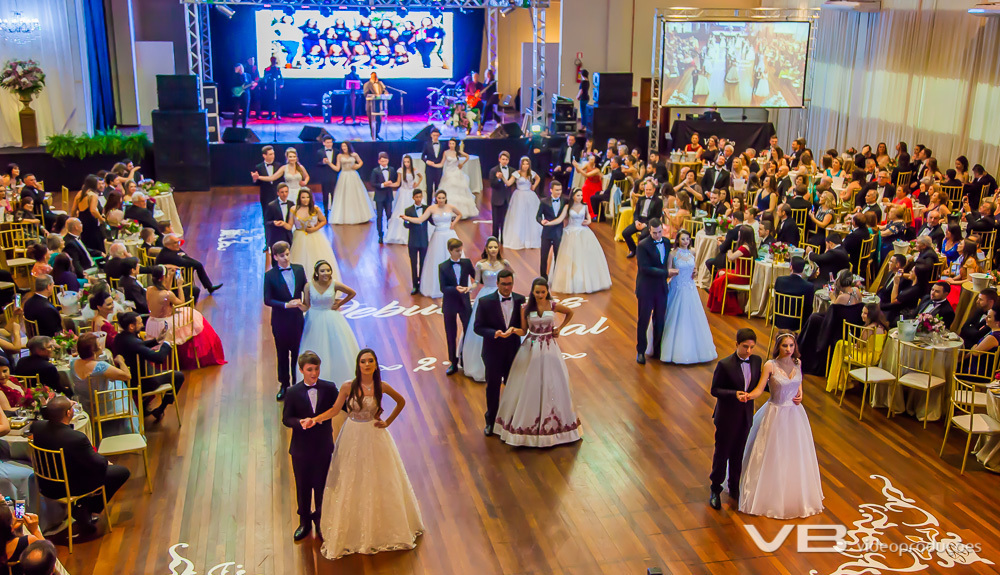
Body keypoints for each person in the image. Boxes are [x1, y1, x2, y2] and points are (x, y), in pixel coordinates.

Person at [308, 349, 423, 558]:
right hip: (352, 434)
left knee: (379, 477)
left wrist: (387, 422)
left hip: (374, 434)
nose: (367, 364)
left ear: (376, 365)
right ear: (358, 365)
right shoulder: (347, 386)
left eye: (370, 361)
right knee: (352, 476)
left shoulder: (381, 386)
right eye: (363, 361)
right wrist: (316, 419)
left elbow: (401, 401)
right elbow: (335, 410)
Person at [738, 332, 823, 518]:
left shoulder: (798, 363)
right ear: (778, 347)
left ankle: (792, 492)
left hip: (794, 414)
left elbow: (798, 383)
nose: (788, 349)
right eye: (785, 346)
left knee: (794, 454)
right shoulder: (770, 365)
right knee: (772, 452)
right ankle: (769, 494)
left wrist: (801, 394)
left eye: (791, 346)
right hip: (775, 413)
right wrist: (748, 396)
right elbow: (760, 389)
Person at [494, 278, 582, 446]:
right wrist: (512, 331)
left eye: (543, 292)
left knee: (553, 382)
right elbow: (523, 331)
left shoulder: (553, 305)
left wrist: (560, 329)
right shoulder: (525, 308)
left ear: (547, 291)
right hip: (531, 347)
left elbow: (570, 312)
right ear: (532, 292)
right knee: (530, 384)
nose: (541, 295)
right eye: (537, 292)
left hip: (550, 348)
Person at [281, 352, 344, 542]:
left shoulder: (329, 388)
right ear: (301, 370)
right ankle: (304, 522)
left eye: (316, 369)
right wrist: (300, 422)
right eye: (310, 370)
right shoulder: (292, 392)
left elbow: (343, 406)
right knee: (303, 485)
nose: (314, 373)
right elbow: (286, 419)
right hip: (301, 448)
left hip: (323, 445)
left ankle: (321, 520)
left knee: (322, 484)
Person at [708, 328, 761, 510]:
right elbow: (715, 390)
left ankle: (734, 488)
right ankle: (715, 488)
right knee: (722, 455)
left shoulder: (756, 361)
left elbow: (760, 383)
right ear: (736, 344)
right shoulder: (725, 365)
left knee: (738, 454)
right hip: (726, 417)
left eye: (752, 347)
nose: (748, 351)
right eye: (745, 346)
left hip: (745, 417)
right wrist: (734, 394)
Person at [473, 269, 524, 436]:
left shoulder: (520, 300)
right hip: (492, 352)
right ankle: (491, 421)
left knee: (513, 387)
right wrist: (494, 333)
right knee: (493, 388)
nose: (507, 288)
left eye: (510, 284)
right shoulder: (485, 302)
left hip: (513, 352)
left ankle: (511, 421)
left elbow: (525, 326)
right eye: (504, 284)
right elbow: (478, 327)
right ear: (497, 283)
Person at [144, 266, 226, 369]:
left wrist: (169, 277)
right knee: (194, 315)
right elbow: (181, 303)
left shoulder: (149, 289)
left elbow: (165, 292)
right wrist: (179, 286)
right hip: (166, 323)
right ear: (163, 278)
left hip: (152, 322)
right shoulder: (167, 295)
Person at [657, 230, 716, 364]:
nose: (685, 242)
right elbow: (668, 271)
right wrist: (672, 272)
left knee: (692, 317)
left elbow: (694, 269)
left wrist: (695, 272)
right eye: (683, 239)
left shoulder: (692, 253)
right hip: (677, 288)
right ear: (677, 240)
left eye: (688, 239)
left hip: (690, 288)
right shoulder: (672, 254)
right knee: (674, 317)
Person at [299, 261, 360, 385]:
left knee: (337, 348)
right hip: (314, 319)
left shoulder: (334, 284)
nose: (326, 273)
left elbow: (352, 293)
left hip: (332, 317)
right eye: (322, 271)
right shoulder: (308, 286)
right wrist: (298, 306)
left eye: (328, 270)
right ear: (316, 272)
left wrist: (339, 303)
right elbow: (306, 305)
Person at [115, 312, 183, 421]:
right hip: (145, 381)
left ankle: (147, 407)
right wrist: (167, 342)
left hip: (132, 379)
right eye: (140, 323)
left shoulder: (120, 338)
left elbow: (138, 347)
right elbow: (159, 358)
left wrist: (156, 340)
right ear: (131, 326)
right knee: (179, 376)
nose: (142, 325)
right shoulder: (133, 342)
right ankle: (160, 409)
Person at [462, 238, 510, 382]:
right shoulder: (480, 264)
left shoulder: (504, 263)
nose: (493, 249)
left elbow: (511, 277)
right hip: (486, 296)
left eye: (495, 247)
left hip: (501, 295)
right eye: (491, 247)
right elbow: (476, 282)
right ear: (486, 249)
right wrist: (469, 288)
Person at [264, 242, 307, 401]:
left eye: (287, 254)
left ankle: (297, 385)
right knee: (282, 355)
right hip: (280, 322)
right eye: (282, 256)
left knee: (298, 354)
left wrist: (304, 304)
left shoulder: (299, 269)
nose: (286, 258)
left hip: (296, 320)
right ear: (275, 257)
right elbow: (267, 300)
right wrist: (285, 305)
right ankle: (284, 385)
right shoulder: (270, 276)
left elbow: (305, 289)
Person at [548, 189, 612, 294]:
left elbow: (589, 216)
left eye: (581, 195)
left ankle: (587, 281)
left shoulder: (585, 206)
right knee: (570, 258)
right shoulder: (567, 207)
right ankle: (570, 281)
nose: (580, 197)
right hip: (570, 233)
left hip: (583, 232)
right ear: (573, 196)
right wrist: (549, 223)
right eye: (578, 195)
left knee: (585, 257)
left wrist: (589, 221)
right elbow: (560, 219)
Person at [402, 191, 463, 299]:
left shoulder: (450, 207)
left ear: (446, 198)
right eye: (439, 198)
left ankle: (456, 283)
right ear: (436, 198)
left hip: (449, 234)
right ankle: (435, 285)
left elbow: (460, 214)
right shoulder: (431, 208)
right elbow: (420, 219)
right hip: (438, 236)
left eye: (443, 197)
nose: (441, 200)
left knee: (454, 257)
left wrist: (453, 223)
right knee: (437, 259)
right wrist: (407, 218)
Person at [635, 219, 674, 365]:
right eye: (654, 233)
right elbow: (644, 268)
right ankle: (640, 351)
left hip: (661, 287)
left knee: (660, 320)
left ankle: (657, 350)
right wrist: (666, 273)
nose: (657, 236)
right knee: (643, 320)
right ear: (649, 231)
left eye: (659, 232)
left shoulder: (666, 242)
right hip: (646, 288)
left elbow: (669, 259)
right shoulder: (643, 245)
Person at [285, 188, 340, 283]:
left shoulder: (315, 209)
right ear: (299, 198)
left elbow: (323, 220)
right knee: (300, 259)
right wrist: (282, 224)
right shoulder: (294, 209)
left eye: (307, 197)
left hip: (315, 237)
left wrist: (315, 228)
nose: (305, 199)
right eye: (303, 197)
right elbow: (290, 225)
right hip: (299, 237)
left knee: (316, 257)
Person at [439, 239, 476, 376]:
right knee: (451, 334)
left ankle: (466, 359)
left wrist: (471, 286)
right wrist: (456, 289)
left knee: (469, 331)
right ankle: (453, 363)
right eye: (457, 251)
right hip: (450, 303)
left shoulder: (466, 263)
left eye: (461, 250)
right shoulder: (442, 267)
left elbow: (476, 277)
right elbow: (443, 288)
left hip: (464, 302)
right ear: (450, 250)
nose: (460, 253)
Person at [707, 226, 757, 315]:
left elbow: (731, 257)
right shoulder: (752, 246)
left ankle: (725, 306)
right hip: (744, 274)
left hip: (741, 277)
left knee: (719, 280)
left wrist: (729, 250)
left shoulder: (744, 248)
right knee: (720, 271)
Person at [156, 233, 223, 295]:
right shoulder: (168, 255)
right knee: (197, 265)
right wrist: (184, 256)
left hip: (175, 273)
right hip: (170, 280)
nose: (178, 244)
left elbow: (183, 255)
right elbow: (184, 261)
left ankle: (208, 287)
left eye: (178, 242)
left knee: (196, 265)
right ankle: (207, 287)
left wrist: (184, 256)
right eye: (175, 243)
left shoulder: (171, 249)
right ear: (168, 245)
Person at [501, 157, 543, 250]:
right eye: (524, 164)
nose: (525, 166)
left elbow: (538, 178)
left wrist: (534, 186)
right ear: (521, 164)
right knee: (519, 216)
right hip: (519, 196)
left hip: (530, 196)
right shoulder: (517, 173)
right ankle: (519, 238)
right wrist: (502, 177)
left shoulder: (531, 173)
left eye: (527, 164)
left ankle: (531, 238)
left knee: (531, 216)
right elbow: (508, 183)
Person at [328, 141, 373, 225]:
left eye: (345, 146)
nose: (344, 148)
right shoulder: (339, 156)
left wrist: (357, 166)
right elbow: (337, 168)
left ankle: (359, 215)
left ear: (348, 147)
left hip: (353, 175)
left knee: (355, 194)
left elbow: (361, 162)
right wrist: (329, 163)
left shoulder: (354, 155)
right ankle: (343, 217)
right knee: (344, 195)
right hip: (344, 176)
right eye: (342, 146)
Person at [438, 139, 479, 219]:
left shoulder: (457, 152)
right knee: (448, 191)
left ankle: (460, 212)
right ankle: (448, 211)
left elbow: (467, 156)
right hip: (448, 173)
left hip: (456, 172)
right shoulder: (446, 152)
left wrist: (462, 164)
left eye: (453, 143)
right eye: (450, 143)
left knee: (459, 192)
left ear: (455, 144)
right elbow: (442, 163)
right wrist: (434, 165)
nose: (451, 145)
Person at [623, 179, 665, 258]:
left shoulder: (658, 201)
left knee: (642, 236)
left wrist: (645, 224)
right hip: (639, 221)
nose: (648, 191)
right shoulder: (641, 199)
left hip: (649, 223)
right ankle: (633, 250)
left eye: (650, 190)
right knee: (625, 233)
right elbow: (636, 212)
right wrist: (636, 221)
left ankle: (641, 254)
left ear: (654, 190)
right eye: (646, 190)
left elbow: (657, 216)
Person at [772, 256, 815, 329]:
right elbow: (808, 308)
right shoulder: (808, 286)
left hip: (779, 319)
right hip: (797, 322)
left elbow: (776, 301)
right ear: (803, 269)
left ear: (791, 267)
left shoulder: (780, 280)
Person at [536, 181, 566, 280]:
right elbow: (538, 216)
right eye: (557, 190)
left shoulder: (565, 200)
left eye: (560, 190)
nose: (559, 192)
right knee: (544, 256)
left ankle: (557, 277)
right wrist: (542, 221)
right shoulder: (544, 201)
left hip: (558, 232)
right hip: (547, 232)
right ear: (551, 190)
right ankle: (543, 278)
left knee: (559, 256)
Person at [70, 176, 106, 256]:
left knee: (85, 240)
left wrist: (73, 221)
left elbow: (73, 210)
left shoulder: (80, 194)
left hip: (82, 220)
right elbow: (93, 210)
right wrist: (101, 219)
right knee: (97, 242)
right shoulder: (93, 195)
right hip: (92, 222)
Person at [368, 152, 398, 244]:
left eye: (385, 160)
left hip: (388, 195)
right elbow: (372, 183)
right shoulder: (375, 171)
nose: (384, 162)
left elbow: (395, 179)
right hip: (379, 196)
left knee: (389, 214)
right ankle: (380, 235)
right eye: (382, 161)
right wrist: (382, 185)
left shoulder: (392, 169)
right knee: (380, 216)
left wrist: (391, 184)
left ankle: (390, 233)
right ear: (379, 161)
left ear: (388, 161)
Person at [487, 151, 515, 241]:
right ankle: (494, 240)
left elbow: (512, 183)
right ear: (499, 159)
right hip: (497, 199)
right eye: (503, 159)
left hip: (507, 199)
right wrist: (498, 179)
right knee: (496, 222)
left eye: (506, 159)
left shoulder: (512, 170)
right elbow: (492, 185)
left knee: (505, 222)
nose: (504, 161)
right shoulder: (493, 170)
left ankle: (504, 240)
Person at [263, 183, 294, 263]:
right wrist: (274, 222)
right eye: (282, 192)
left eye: (286, 192)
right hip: (276, 236)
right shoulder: (271, 205)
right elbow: (266, 222)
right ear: (278, 193)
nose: (284, 194)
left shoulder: (291, 204)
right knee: (276, 258)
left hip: (288, 235)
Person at [253, 146, 284, 223]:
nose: (273, 156)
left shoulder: (279, 165)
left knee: (279, 215)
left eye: (273, 154)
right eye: (270, 154)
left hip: (277, 194)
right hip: (266, 195)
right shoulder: (259, 167)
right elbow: (257, 183)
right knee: (267, 216)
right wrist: (255, 179)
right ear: (264, 155)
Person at [316, 135, 338, 217]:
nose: (329, 144)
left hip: (333, 176)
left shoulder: (336, 151)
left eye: (330, 142)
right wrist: (322, 162)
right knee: (325, 195)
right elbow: (316, 164)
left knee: (334, 194)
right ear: (323, 143)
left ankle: (334, 212)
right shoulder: (320, 152)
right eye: (327, 142)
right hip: (324, 177)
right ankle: (325, 213)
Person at [362, 71, 388, 140]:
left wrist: (386, 94)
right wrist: (374, 96)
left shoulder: (380, 83)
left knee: (379, 120)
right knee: (372, 120)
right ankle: (373, 135)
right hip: (371, 105)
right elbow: (365, 94)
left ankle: (377, 133)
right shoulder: (367, 84)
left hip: (378, 105)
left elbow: (384, 90)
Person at [420, 128, 445, 195]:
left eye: (437, 135)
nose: (435, 137)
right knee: (429, 188)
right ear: (431, 135)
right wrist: (427, 161)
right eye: (434, 135)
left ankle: (437, 203)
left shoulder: (442, 145)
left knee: (438, 187)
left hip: (438, 169)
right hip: (429, 169)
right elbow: (422, 156)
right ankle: (429, 204)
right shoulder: (427, 144)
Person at [231, 63, 251, 128]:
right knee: (236, 111)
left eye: (236, 68)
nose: (235, 69)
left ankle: (244, 126)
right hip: (237, 95)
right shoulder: (234, 76)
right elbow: (233, 85)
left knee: (245, 110)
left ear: (240, 67)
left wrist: (253, 85)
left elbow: (249, 84)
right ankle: (234, 126)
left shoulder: (247, 75)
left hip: (245, 94)